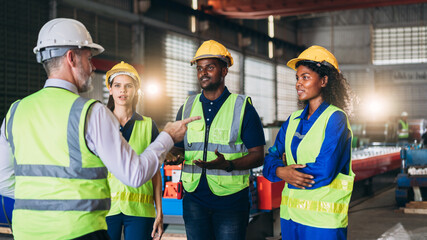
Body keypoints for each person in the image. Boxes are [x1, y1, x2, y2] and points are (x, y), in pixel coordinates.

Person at [0, 18, 199, 240]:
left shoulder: (15, 112)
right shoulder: (90, 112)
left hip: (28, 232)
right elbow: (134, 175)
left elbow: (3, 179)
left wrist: (42, 199)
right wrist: (168, 136)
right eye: (89, 58)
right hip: (79, 230)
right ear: (71, 57)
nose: (92, 66)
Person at [167, 40, 265, 240]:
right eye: (200, 68)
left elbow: (258, 156)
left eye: (210, 67)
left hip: (231, 201)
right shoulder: (187, 106)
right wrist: (173, 155)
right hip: (193, 199)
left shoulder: (242, 108)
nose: (203, 73)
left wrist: (228, 164)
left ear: (224, 70)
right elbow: (179, 148)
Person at [263, 45, 354, 240]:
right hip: (290, 219)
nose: (298, 83)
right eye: (297, 78)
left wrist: (286, 172)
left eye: (305, 77)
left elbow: (325, 169)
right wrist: (280, 170)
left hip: (322, 223)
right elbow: (270, 158)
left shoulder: (335, 118)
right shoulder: (293, 120)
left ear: (323, 80)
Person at [104, 61, 163, 240]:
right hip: (106, 209)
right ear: (110, 89)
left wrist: (159, 211)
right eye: (118, 86)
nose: (123, 90)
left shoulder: (148, 125)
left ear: (136, 90)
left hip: (140, 211)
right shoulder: (100, 123)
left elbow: (155, 172)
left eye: (128, 86)